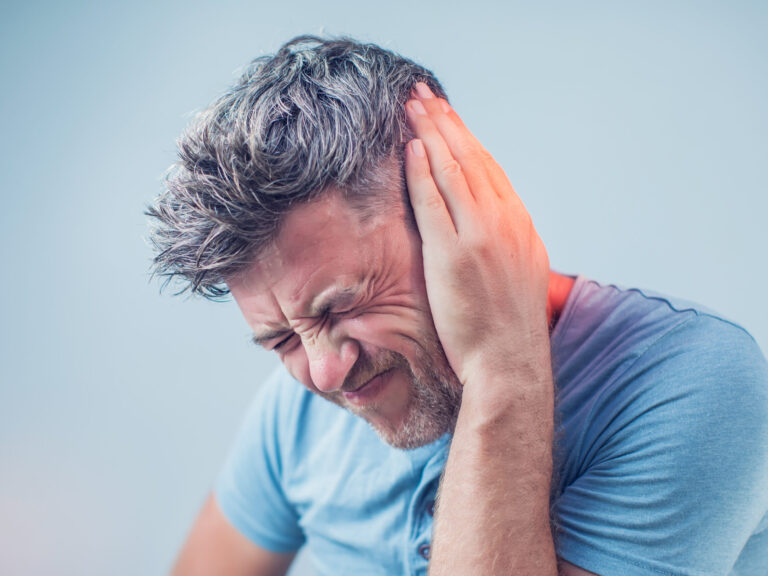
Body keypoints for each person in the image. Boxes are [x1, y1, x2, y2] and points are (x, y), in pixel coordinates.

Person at [147, 36, 768, 575]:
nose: (325, 372)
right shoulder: (293, 419)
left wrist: (503, 369)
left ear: (454, 216)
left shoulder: (696, 383)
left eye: (341, 307)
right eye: (282, 340)